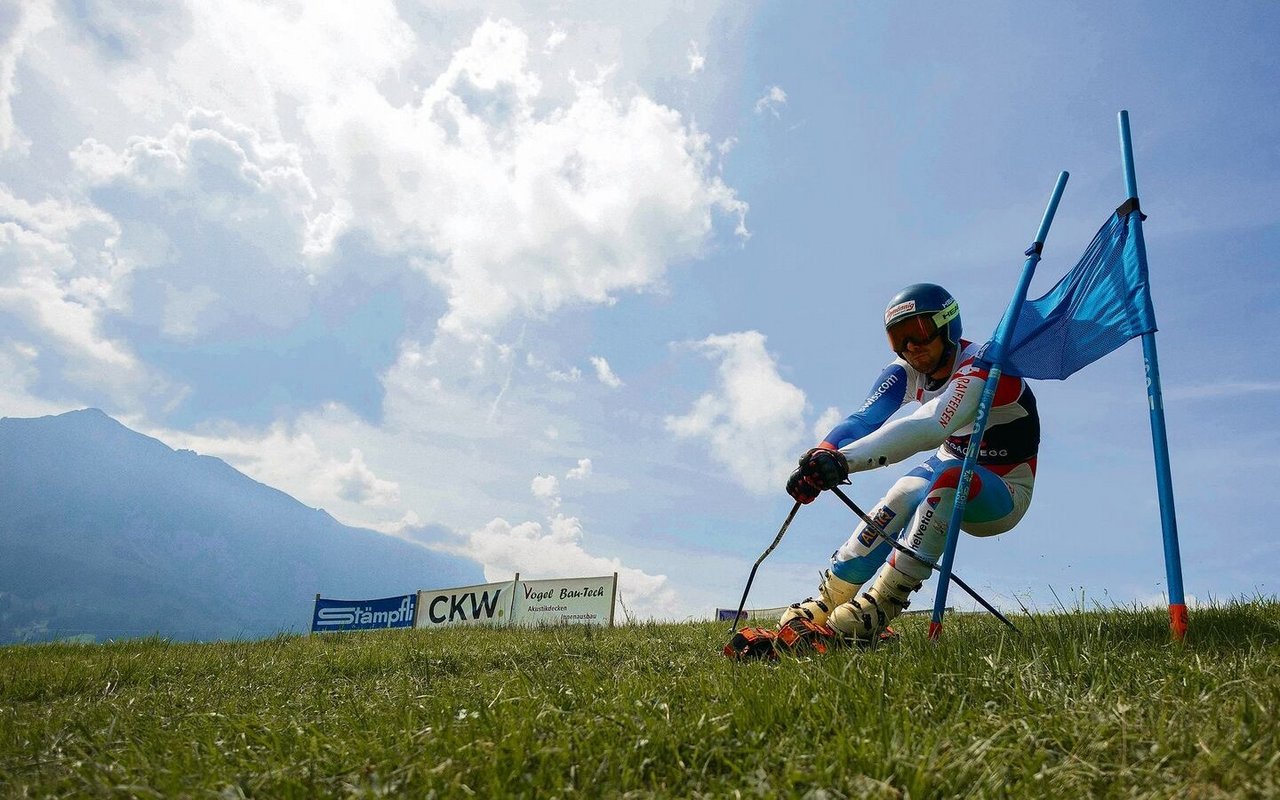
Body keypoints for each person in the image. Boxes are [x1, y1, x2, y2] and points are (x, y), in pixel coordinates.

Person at [777, 282, 1040, 646]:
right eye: (898, 338)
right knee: (905, 490)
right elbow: (864, 419)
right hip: (950, 464)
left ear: (949, 326)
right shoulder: (904, 369)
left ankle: (880, 604)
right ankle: (829, 599)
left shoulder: (984, 367)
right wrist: (820, 456)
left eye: (917, 332)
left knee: (948, 478)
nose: (910, 348)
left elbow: (932, 426)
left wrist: (844, 462)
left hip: (1003, 489)